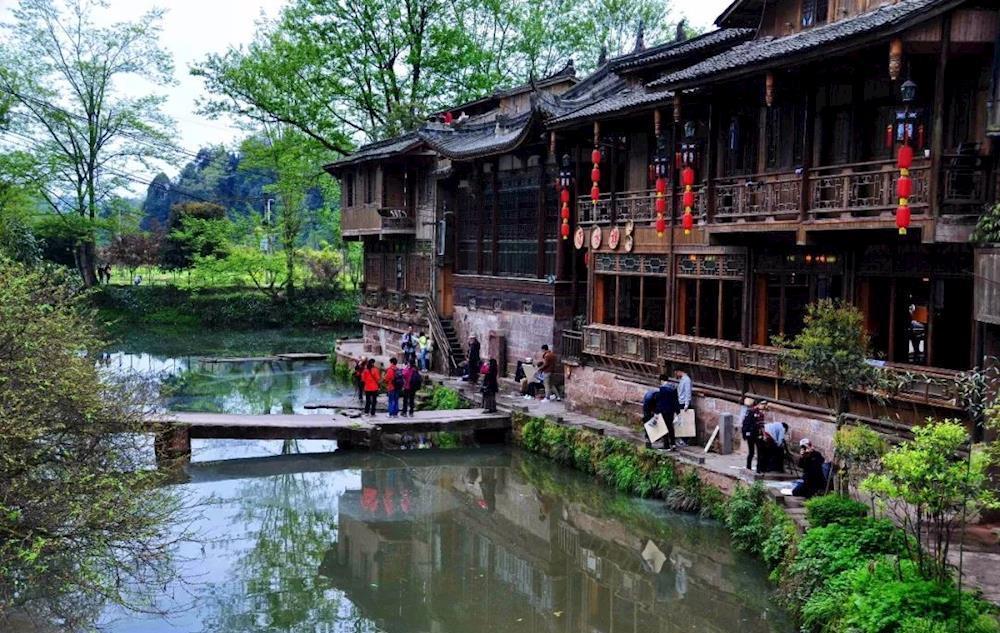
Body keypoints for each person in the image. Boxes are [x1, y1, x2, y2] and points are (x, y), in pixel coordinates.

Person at [655, 374, 681, 451]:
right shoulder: (673, 388)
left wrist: (657, 412)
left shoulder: (663, 389)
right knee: (670, 427)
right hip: (671, 410)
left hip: (664, 410)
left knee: (664, 428)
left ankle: (666, 445)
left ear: (661, 380)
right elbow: (676, 401)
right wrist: (677, 411)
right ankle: (673, 444)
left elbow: (661, 402)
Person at [740, 398, 764, 471]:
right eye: (763, 404)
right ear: (759, 404)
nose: (764, 406)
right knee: (751, 452)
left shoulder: (761, 413)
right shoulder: (751, 412)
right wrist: (745, 434)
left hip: (758, 435)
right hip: (751, 435)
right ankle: (748, 467)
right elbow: (746, 423)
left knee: (760, 452)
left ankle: (759, 468)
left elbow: (761, 425)